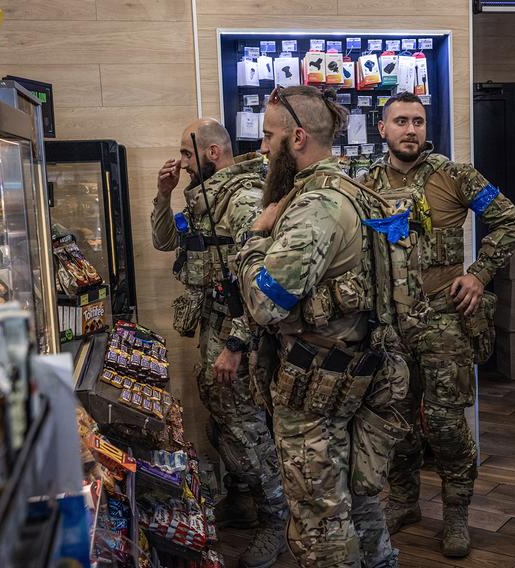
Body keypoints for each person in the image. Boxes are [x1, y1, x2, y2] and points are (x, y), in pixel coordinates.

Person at [236, 85, 401, 568]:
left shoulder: (316, 206)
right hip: (357, 371)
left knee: (319, 517)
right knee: (361, 500)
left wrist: (252, 239)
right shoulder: (354, 189)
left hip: (318, 386)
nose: (263, 148)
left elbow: (266, 303)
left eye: (269, 137)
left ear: (298, 137)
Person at [364, 92, 515, 557]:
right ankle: (404, 501)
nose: (410, 129)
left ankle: (457, 512)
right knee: (394, 421)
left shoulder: (457, 176)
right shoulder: (365, 183)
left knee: (445, 423)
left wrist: (478, 274)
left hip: (444, 321)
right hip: (388, 324)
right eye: (400, 121)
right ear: (383, 129)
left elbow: (509, 222)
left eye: (417, 120)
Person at [151, 118, 288, 568]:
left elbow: (261, 285)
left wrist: (236, 344)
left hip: (239, 335)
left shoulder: (243, 199)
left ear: (212, 153)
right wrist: (163, 195)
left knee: (248, 429)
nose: (182, 162)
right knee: (223, 420)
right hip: (212, 327)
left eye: (187, 155)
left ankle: (276, 519)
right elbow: (164, 240)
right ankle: (245, 502)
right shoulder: (206, 196)